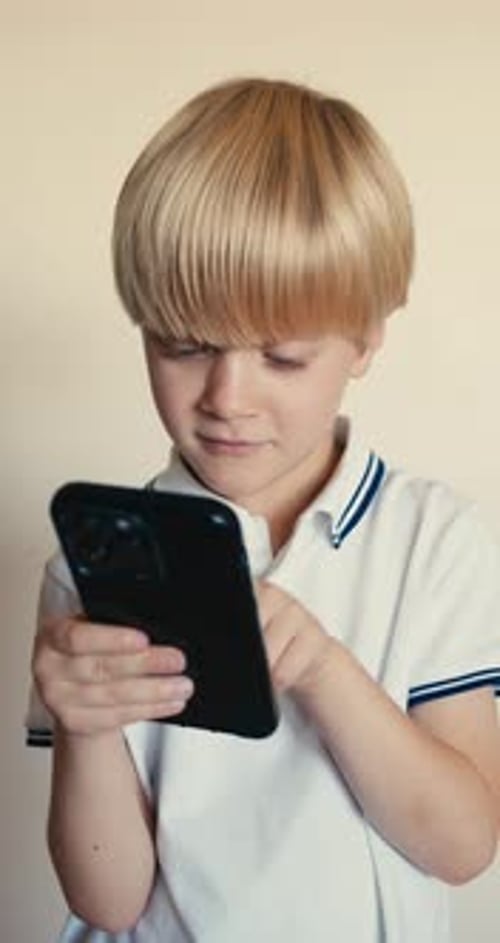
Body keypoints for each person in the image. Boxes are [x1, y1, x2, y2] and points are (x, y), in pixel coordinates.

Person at [27, 77, 500, 943]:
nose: (227, 398)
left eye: (282, 357)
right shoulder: (91, 561)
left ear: (365, 338)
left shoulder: (433, 542)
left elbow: (463, 844)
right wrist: (84, 727)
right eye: (183, 344)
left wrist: (326, 669)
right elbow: (107, 898)